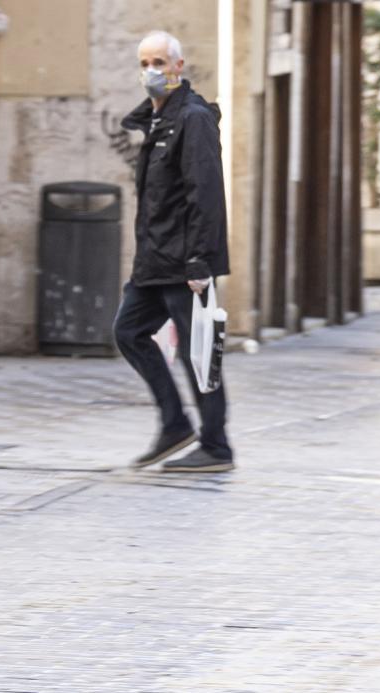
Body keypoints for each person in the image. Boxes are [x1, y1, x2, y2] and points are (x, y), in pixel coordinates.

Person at [114, 30, 234, 473]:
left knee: (198, 353)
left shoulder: (193, 118)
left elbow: (204, 195)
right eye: (145, 63)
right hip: (153, 261)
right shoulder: (156, 118)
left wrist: (200, 262)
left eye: (160, 63)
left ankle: (217, 447)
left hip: (184, 263)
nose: (152, 71)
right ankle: (174, 425)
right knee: (129, 332)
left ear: (178, 67)